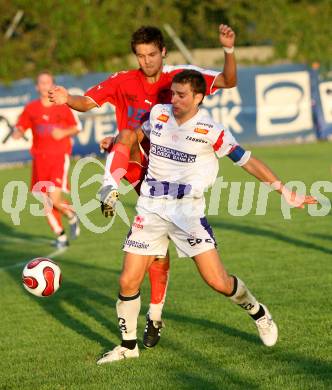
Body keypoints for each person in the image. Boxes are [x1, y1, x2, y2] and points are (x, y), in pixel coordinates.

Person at [96, 70, 317, 364]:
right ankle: (128, 346)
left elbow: (247, 161)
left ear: (199, 97)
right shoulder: (159, 113)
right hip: (150, 207)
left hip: (187, 212)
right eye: (172, 93)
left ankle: (258, 312)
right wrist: (118, 145)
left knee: (218, 281)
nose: (173, 99)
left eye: (181, 95)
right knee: (128, 281)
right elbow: (135, 135)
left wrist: (285, 192)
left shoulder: (211, 130)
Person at [48, 24, 236, 347]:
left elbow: (228, 80)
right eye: (140, 55)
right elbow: (88, 101)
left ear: (163, 52)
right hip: (137, 169)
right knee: (125, 142)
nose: (146, 61)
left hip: (173, 176)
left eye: (151, 54)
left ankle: (156, 315)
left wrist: (229, 50)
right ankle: (110, 186)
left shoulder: (180, 80)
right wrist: (67, 99)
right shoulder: (123, 80)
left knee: (159, 254)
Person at [13, 71, 80, 248]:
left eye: (48, 83)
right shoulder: (31, 108)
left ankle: (72, 214)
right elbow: (20, 127)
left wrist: (63, 132)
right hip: (39, 159)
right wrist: (17, 132)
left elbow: (76, 128)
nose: (45, 86)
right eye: (41, 83)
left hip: (58, 157)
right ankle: (61, 236)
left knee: (54, 198)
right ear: (37, 87)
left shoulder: (62, 105)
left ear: (53, 85)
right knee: (45, 201)